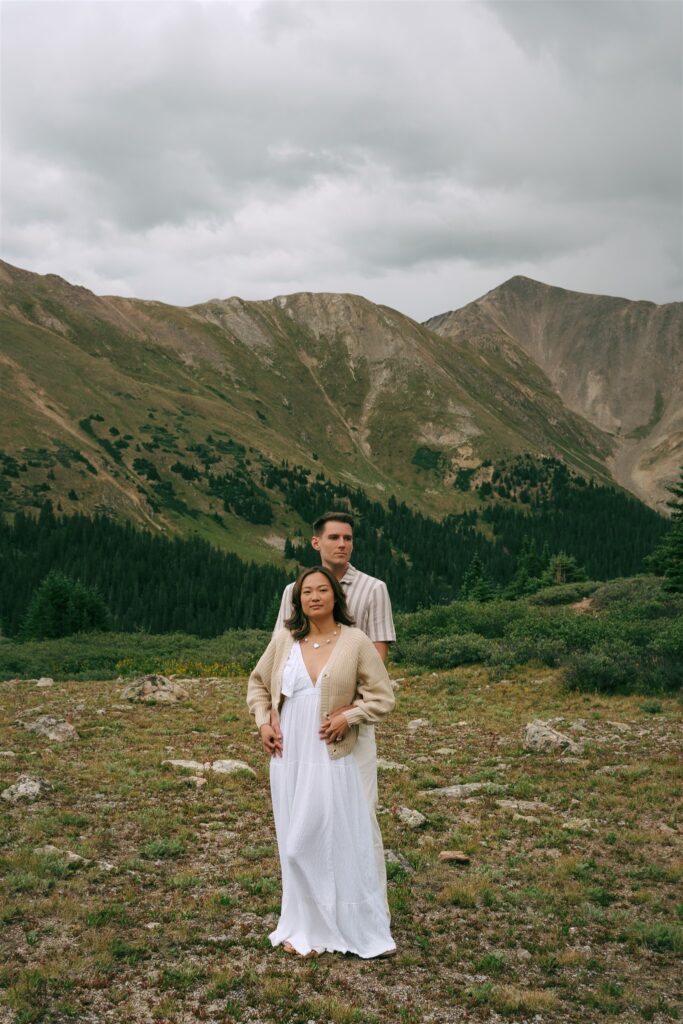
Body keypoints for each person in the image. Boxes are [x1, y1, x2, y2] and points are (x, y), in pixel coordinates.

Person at [247, 565, 396, 958]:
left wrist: (350, 716)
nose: (314, 596)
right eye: (306, 591)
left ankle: (345, 923)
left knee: (330, 839)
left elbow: (382, 697)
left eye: (322, 590)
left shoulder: (355, 641)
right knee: (293, 844)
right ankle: (304, 927)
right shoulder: (284, 641)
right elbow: (258, 685)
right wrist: (264, 723)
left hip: (331, 757)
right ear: (296, 600)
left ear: (335, 596)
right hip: (288, 757)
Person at [272, 512, 396, 899]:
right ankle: (316, 902)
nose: (342, 544)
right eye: (334, 538)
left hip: (350, 718)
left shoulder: (373, 589)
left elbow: (377, 652)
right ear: (316, 543)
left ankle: (363, 902)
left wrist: (351, 710)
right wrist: (273, 713)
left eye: (348, 538)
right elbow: (281, 652)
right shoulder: (294, 589)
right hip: (302, 723)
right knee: (308, 812)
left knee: (358, 810)